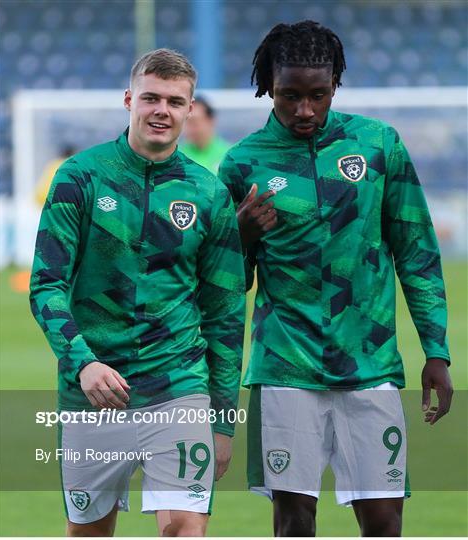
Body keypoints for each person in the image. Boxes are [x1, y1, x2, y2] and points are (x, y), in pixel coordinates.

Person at [218, 21, 453, 537]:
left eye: (318, 95)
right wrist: (238, 236)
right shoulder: (241, 164)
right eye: (289, 96)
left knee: (385, 519)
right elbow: (223, 288)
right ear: (268, 88)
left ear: (335, 84)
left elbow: (416, 250)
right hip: (285, 366)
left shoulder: (377, 145)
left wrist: (436, 350)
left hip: (370, 363)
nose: (304, 109)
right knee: (294, 520)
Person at [29, 48, 245, 537]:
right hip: (93, 392)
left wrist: (225, 419)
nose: (161, 110)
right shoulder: (80, 177)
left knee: (185, 526)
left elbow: (226, 315)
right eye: (150, 97)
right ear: (130, 99)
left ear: (190, 110)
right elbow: (46, 284)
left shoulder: (208, 195)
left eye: (174, 100)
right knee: (89, 533)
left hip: (179, 387)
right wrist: (82, 362)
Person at [181, 96, 230, 173]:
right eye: (186, 122)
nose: (189, 128)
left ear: (211, 121)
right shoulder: (176, 156)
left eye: (194, 122)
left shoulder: (229, 155)